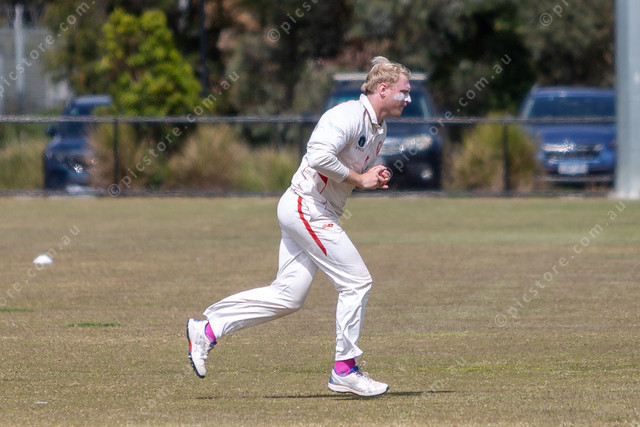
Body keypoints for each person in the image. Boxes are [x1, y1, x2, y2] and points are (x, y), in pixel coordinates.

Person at [186, 56, 412, 397]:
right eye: (403, 92)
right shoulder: (348, 115)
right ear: (382, 89)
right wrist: (359, 179)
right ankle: (345, 369)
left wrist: (371, 175)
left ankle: (207, 330)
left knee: (288, 297)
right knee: (356, 282)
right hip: (307, 207)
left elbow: (347, 167)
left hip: (315, 210)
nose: (407, 99)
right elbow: (318, 156)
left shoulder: (379, 128)